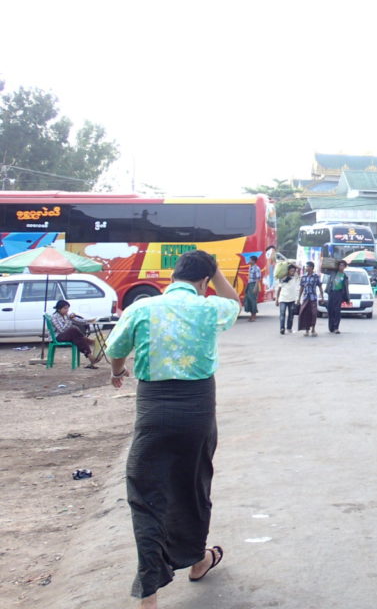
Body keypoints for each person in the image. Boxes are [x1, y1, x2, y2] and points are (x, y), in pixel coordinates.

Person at [105, 249, 240, 607]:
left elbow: (115, 348)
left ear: (172, 276)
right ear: (203, 281)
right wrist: (215, 274)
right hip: (197, 412)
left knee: (146, 496)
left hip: (153, 412)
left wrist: (118, 372)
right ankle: (198, 561)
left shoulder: (141, 308)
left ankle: (148, 594)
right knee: (192, 487)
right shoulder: (210, 308)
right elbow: (234, 302)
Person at [50, 300, 99, 366]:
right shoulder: (54, 317)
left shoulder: (66, 315)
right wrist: (69, 320)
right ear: (59, 309)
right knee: (73, 329)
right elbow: (62, 330)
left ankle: (89, 355)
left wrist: (88, 320)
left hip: (68, 335)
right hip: (58, 337)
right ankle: (87, 342)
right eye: (65, 308)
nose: (67, 310)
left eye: (67, 308)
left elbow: (78, 321)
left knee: (78, 338)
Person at [297, 261, 324, 337]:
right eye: (306, 266)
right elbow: (301, 288)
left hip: (313, 298)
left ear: (312, 267)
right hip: (305, 298)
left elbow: (320, 287)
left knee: (314, 314)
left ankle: (313, 329)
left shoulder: (316, 276)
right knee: (305, 313)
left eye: (308, 266)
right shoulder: (303, 277)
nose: (306, 268)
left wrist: (322, 297)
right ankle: (306, 330)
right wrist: (299, 298)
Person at [326, 259, 350, 335]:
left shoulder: (345, 276)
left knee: (337, 311)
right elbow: (324, 270)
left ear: (345, 267)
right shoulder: (333, 273)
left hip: (339, 294)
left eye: (343, 265)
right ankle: (331, 327)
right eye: (340, 265)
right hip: (331, 293)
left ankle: (336, 328)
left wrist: (347, 298)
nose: (341, 267)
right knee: (330, 310)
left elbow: (346, 288)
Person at [274, 263, 300, 334]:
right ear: (288, 271)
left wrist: (292, 263)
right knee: (282, 314)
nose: (292, 272)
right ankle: (282, 328)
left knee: (291, 315)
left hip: (292, 300)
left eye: (293, 271)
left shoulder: (295, 277)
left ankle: (289, 328)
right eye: (291, 271)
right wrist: (277, 299)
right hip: (283, 299)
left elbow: (299, 268)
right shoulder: (283, 278)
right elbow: (279, 289)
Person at [243, 256, 261, 321]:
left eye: (250, 260)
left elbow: (258, 279)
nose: (249, 261)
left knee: (253, 300)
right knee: (248, 299)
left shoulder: (257, 268)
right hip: (249, 284)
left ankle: (254, 315)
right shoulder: (250, 267)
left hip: (253, 285)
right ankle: (251, 314)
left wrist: (255, 287)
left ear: (253, 261)